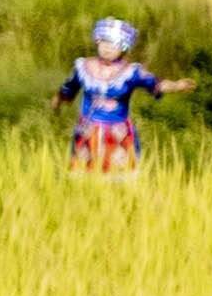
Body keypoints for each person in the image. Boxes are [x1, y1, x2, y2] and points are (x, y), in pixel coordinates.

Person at [59, 19, 170, 177]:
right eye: (104, 43)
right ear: (97, 42)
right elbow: (69, 87)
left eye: (114, 45)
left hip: (117, 133)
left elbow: (155, 84)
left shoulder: (131, 72)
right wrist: (60, 100)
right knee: (83, 175)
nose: (107, 48)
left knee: (118, 177)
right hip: (87, 132)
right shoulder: (84, 67)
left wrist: (176, 85)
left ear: (123, 48)